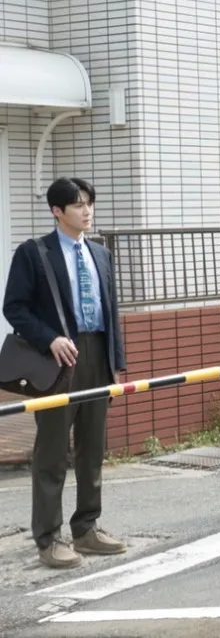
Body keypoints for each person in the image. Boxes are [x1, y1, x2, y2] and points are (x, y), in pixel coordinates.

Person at [2, 178, 127, 569]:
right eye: (77, 205)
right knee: (52, 450)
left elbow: (112, 312)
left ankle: (86, 527)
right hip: (58, 359)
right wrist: (49, 339)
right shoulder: (34, 253)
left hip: (97, 355)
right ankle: (49, 537)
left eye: (89, 203)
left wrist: (116, 364)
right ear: (57, 211)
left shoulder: (100, 253)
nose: (86, 211)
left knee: (93, 447)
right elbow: (14, 307)